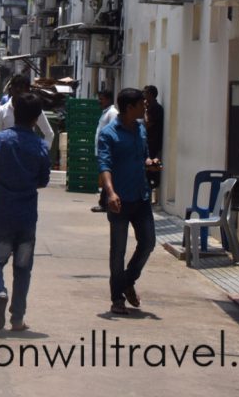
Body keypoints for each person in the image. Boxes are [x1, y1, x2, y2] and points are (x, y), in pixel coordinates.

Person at [0, 93, 51, 331]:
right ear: (36, 119)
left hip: (1, 214)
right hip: (27, 218)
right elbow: (43, 180)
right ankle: (17, 319)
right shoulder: (40, 146)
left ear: (14, 113)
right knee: (23, 269)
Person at [97, 88, 156, 316]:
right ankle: (117, 298)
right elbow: (104, 165)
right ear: (130, 108)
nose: (145, 108)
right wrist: (110, 193)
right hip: (119, 200)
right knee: (118, 251)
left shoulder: (140, 129)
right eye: (142, 105)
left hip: (141, 196)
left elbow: (143, 158)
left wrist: (151, 162)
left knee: (148, 243)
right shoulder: (109, 134)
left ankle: (127, 280)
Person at [0, 74, 54, 152]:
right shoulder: (0, 111)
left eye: (22, 88)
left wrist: (42, 152)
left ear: (27, 91)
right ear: (11, 89)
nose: (18, 90)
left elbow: (49, 133)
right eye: (16, 87)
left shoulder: (33, 109)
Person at [91, 89, 117, 212]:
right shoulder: (105, 112)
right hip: (102, 151)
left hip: (107, 152)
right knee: (104, 178)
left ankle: (104, 203)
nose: (99, 101)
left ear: (108, 99)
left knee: (106, 177)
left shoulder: (112, 113)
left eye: (101, 99)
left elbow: (112, 132)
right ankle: (104, 203)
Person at [144, 85, 164, 195]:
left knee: (151, 171)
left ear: (151, 94)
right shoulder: (152, 107)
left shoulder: (154, 108)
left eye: (145, 93)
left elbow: (147, 123)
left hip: (153, 144)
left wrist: (145, 110)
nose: (144, 95)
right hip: (150, 143)